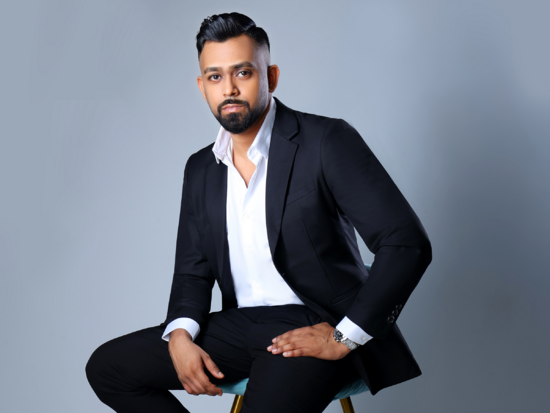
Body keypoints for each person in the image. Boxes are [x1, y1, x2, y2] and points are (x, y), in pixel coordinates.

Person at [85, 12, 432, 413]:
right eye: (215, 76)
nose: (229, 88)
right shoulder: (200, 168)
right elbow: (192, 273)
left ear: (271, 76)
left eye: (243, 72)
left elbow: (406, 243)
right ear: (202, 86)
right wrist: (179, 334)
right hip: (241, 326)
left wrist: (343, 336)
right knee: (109, 369)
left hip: (316, 322)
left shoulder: (326, 141)